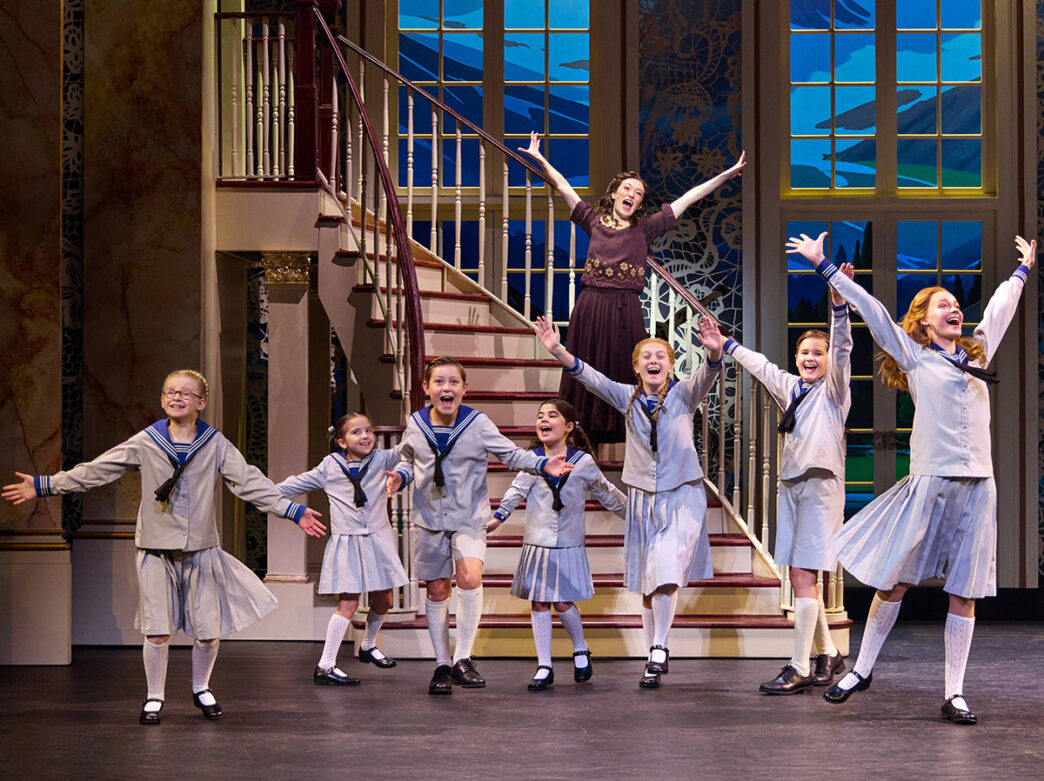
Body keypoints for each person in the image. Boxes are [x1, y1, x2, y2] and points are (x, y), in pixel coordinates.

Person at [786, 232, 1036, 724]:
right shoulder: (916, 356)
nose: (954, 308)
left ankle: (954, 692)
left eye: (956, 304)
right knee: (895, 581)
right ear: (923, 320)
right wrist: (823, 266)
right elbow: (875, 312)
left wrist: (1023, 270)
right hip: (929, 484)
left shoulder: (978, 353)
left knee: (965, 591)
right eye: (943, 305)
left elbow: (1001, 308)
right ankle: (861, 669)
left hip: (978, 486)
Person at [2, 370, 325, 725]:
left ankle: (201, 687)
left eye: (185, 393)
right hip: (155, 549)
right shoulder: (147, 441)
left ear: (201, 403)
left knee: (208, 631)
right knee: (157, 629)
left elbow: (249, 482)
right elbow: (97, 470)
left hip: (200, 549)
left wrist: (293, 511)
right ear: (161, 399)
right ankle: (154, 696)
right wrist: (45, 485)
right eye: (170, 392)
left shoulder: (215, 444)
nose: (176, 397)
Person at [519, 131, 744, 441]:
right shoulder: (593, 220)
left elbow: (690, 197)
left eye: (638, 193)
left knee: (625, 369)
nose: (632, 195)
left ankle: (627, 432)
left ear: (639, 204)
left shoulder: (645, 228)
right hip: (591, 306)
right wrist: (540, 158)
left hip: (625, 309)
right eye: (627, 188)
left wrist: (726, 175)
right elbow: (563, 186)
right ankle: (578, 432)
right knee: (584, 365)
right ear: (614, 193)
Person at [536, 316, 722, 688]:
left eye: (661, 356)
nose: (654, 361)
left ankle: (660, 646)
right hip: (643, 497)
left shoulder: (684, 394)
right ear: (637, 367)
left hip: (682, 494)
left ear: (670, 364)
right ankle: (653, 658)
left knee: (666, 571)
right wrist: (557, 350)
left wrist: (715, 353)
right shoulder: (626, 397)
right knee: (649, 583)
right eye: (646, 357)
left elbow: (707, 374)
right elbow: (591, 378)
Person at [700, 264, 854, 694]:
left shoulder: (834, 391)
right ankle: (830, 654)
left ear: (828, 361)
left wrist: (838, 306)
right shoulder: (792, 387)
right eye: (804, 352)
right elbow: (761, 365)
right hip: (791, 487)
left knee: (804, 575)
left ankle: (799, 665)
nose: (810, 358)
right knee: (801, 576)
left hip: (821, 487)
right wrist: (725, 344)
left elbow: (843, 348)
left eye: (818, 353)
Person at [384, 357, 573, 695]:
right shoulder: (416, 423)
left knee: (470, 577)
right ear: (426, 388)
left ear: (464, 388)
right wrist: (400, 475)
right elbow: (409, 460)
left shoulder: (478, 423)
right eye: (439, 382)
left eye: (453, 382)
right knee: (437, 589)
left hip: (469, 517)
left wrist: (542, 464)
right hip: (428, 519)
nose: (447, 388)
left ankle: (463, 658)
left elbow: (511, 455)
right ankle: (442, 664)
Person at [487, 399, 626, 690]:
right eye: (540, 416)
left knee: (562, 602)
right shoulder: (532, 460)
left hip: (567, 543)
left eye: (552, 415)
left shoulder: (582, 461)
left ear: (569, 426)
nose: (544, 420)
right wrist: (497, 518)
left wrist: (635, 515)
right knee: (539, 601)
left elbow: (606, 492)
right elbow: (515, 491)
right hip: (538, 543)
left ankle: (580, 649)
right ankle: (544, 665)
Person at [276, 412, 408, 687]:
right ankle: (326, 665)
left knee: (384, 600)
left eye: (368, 430)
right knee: (349, 603)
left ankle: (368, 645)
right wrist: (265, 494)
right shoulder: (329, 466)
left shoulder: (382, 459)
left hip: (378, 540)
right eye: (356, 432)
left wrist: (418, 423)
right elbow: (289, 486)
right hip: (348, 542)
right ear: (341, 441)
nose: (365, 436)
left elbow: (407, 449)